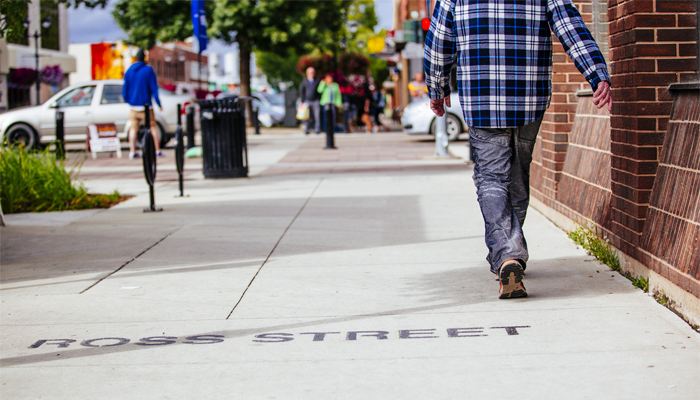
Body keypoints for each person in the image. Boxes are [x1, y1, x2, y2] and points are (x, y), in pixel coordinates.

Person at [424, 0, 612, 299]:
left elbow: (439, 42)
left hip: (481, 97)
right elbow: (569, 25)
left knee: (492, 179)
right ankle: (507, 253)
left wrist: (436, 88)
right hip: (528, 97)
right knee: (517, 174)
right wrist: (596, 72)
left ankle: (507, 253)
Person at [122, 48, 163, 159]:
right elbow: (154, 88)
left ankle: (132, 151)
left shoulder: (129, 70)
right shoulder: (148, 70)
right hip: (146, 107)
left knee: (133, 128)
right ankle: (157, 150)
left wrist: (128, 100)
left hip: (133, 106)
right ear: (144, 58)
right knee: (153, 127)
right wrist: (159, 103)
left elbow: (124, 89)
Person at [299, 67, 321, 134]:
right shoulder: (304, 81)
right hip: (307, 101)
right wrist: (302, 101)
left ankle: (317, 129)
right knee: (307, 116)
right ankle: (307, 129)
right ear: (307, 73)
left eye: (312, 72)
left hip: (315, 101)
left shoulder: (317, 80)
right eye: (310, 72)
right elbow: (302, 91)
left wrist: (318, 100)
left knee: (317, 116)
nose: (311, 74)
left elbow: (319, 91)